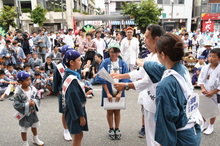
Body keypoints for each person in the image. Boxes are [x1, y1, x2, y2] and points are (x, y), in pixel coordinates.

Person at [122, 33, 201, 146]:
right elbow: (158, 68)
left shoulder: (165, 85)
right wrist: (142, 63)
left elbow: (166, 120)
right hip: (193, 129)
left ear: (162, 55)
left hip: (181, 137)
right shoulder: (181, 69)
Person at [112, 24, 165, 145]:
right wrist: (120, 76)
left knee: (156, 136)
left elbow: (147, 80)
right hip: (148, 100)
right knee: (150, 134)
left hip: (156, 101)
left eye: (146, 37)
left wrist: (125, 86)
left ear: (156, 39)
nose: (144, 40)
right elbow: (140, 72)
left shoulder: (160, 58)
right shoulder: (151, 55)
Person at [95, 42, 130, 140]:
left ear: (119, 52)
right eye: (111, 52)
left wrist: (120, 93)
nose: (113, 54)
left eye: (116, 52)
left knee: (117, 110)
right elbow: (102, 77)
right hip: (108, 90)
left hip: (119, 90)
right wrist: (108, 93)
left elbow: (125, 79)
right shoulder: (105, 62)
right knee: (110, 110)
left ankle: (117, 128)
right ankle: (111, 128)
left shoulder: (123, 63)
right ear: (108, 52)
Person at [62, 50, 88, 146]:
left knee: (79, 134)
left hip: (74, 110)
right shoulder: (71, 79)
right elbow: (74, 99)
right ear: (71, 62)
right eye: (79, 60)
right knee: (78, 135)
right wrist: (81, 116)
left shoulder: (71, 75)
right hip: (75, 111)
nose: (81, 62)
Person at [13, 71, 44, 146]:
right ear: (20, 82)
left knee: (34, 125)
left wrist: (34, 101)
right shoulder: (18, 92)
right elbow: (16, 105)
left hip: (32, 112)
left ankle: (35, 139)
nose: (29, 81)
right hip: (24, 113)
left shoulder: (32, 89)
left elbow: (37, 97)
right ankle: (25, 143)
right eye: (26, 80)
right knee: (24, 129)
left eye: (30, 79)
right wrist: (27, 104)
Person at [52, 45, 74, 141]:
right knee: (65, 112)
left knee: (74, 110)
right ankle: (66, 130)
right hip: (63, 93)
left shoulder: (76, 64)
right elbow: (55, 81)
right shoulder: (59, 67)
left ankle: (72, 127)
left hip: (74, 92)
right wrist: (56, 92)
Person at [198, 48, 220, 135]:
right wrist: (203, 89)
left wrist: (213, 92)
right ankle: (204, 124)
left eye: (213, 57)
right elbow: (201, 79)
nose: (210, 58)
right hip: (205, 91)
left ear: (219, 59)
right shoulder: (205, 68)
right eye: (210, 56)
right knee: (203, 108)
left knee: (212, 109)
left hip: (215, 93)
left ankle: (211, 125)